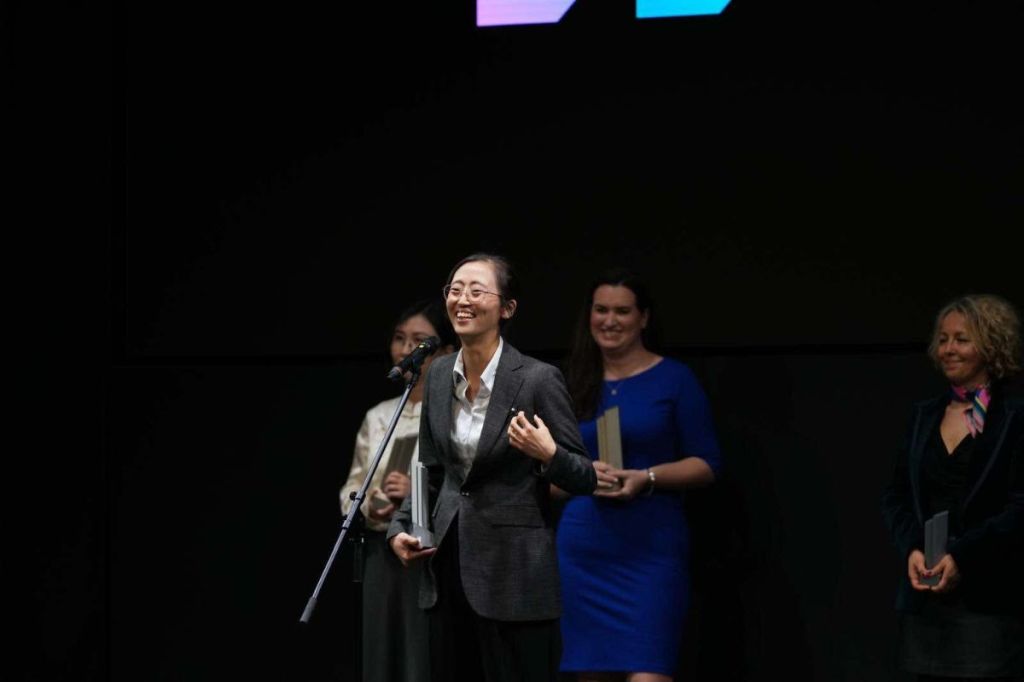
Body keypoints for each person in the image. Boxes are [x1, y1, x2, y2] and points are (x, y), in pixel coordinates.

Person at [387, 253, 597, 682]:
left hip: (516, 575)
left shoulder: (537, 379)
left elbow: (585, 478)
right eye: (455, 289)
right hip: (447, 567)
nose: (462, 299)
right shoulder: (440, 373)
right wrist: (399, 528)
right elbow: (430, 469)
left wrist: (548, 453)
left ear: (507, 308)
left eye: (476, 290)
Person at [556, 268, 723, 682]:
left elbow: (707, 464)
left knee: (650, 671)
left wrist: (646, 477)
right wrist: (583, 476)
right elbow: (549, 482)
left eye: (622, 311)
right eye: (601, 310)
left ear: (643, 318)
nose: (610, 320)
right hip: (584, 548)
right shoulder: (568, 383)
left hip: (651, 547)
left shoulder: (674, 379)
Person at [882, 294, 1024, 681]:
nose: (948, 349)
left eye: (961, 339)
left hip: (987, 603)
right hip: (926, 602)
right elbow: (895, 496)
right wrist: (912, 546)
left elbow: (1019, 506)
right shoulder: (924, 415)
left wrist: (963, 556)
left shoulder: (1014, 417)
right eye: (943, 339)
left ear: (991, 345)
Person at [340, 298, 456, 682]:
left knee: (422, 657)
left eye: (420, 341)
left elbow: (462, 482)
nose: (408, 350)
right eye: (401, 339)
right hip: (380, 551)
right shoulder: (378, 415)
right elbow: (353, 486)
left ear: (445, 351)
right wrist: (371, 506)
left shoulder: (454, 413)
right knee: (381, 655)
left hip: (431, 553)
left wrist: (415, 492)